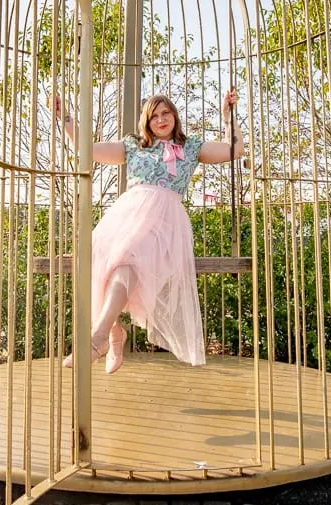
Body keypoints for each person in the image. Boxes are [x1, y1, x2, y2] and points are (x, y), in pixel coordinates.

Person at [56, 90, 243, 373]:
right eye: (154, 116)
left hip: (164, 223)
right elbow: (87, 148)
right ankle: (113, 332)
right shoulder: (133, 146)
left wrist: (228, 117)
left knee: (125, 264)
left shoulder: (191, 147)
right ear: (147, 121)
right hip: (126, 217)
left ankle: (97, 339)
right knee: (107, 265)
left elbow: (235, 149)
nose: (160, 119)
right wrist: (65, 117)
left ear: (174, 116)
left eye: (165, 113)